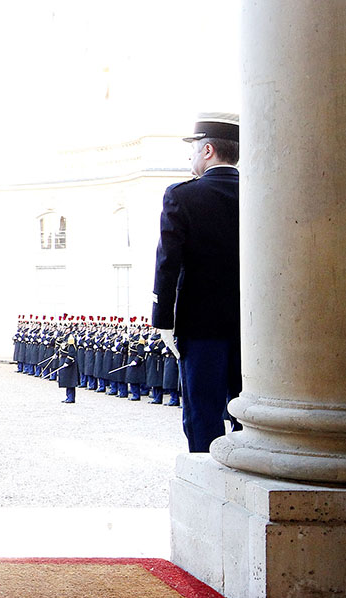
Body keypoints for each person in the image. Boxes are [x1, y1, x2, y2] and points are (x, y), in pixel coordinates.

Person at [152, 113, 240, 452]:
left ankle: (208, 484)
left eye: (192, 150)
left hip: (201, 326)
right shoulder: (261, 195)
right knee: (252, 417)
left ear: (207, 150)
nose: (190, 158)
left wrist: (164, 320)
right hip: (255, 328)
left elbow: (167, 263)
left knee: (203, 415)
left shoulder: (182, 196)